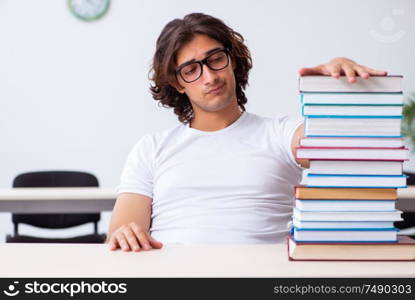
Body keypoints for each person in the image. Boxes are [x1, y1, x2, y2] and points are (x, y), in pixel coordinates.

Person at [107, 13, 387, 251]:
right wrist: (124, 237)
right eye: (191, 69)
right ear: (178, 83)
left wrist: (338, 90)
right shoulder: (151, 148)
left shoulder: (279, 133)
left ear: (233, 61)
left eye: (216, 59)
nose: (210, 77)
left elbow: (343, 151)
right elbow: (122, 234)